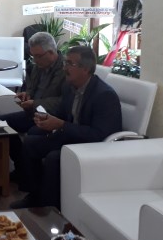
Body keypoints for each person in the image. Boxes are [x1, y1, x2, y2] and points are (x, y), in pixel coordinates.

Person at [10, 46, 122, 210]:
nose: (65, 68)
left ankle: (51, 208)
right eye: (65, 62)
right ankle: (34, 196)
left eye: (70, 64)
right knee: (30, 143)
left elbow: (99, 135)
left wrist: (60, 125)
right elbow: (62, 115)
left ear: (85, 69)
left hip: (92, 146)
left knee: (54, 158)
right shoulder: (69, 88)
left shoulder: (104, 95)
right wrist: (46, 119)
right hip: (71, 136)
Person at [0, 32, 65, 178]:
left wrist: (34, 103)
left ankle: (31, 176)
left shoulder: (65, 69)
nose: (35, 59)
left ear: (51, 52)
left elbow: (63, 101)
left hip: (52, 117)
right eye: (33, 55)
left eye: (38, 56)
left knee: (33, 133)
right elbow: (32, 89)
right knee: (2, 124)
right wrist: (26, 95)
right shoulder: (37, 66)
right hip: (33, 112)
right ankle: (21, 167)